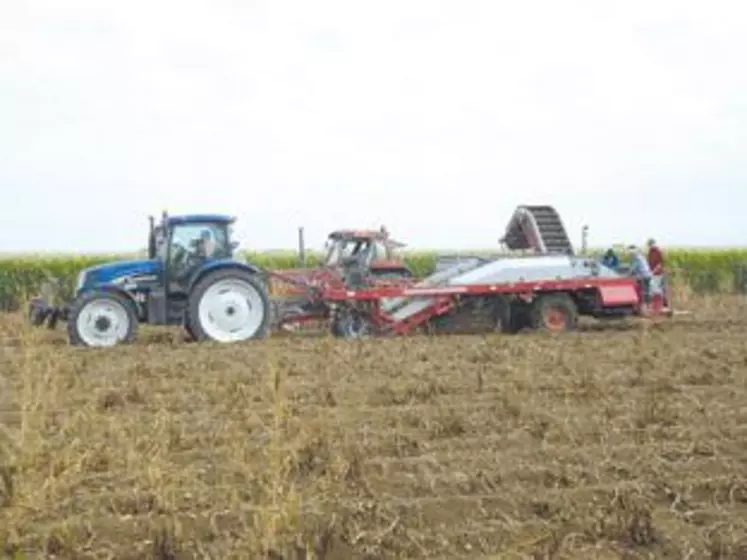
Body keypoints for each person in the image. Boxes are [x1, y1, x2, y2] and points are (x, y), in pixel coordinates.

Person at [646, 238, 668, 305]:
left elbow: (661, 263)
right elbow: (649, 262)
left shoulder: (658, 251)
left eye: (651, 244)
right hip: (652, 272)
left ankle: (664, 303)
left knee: (659, 288)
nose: (650, 245)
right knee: (654, 288)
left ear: (654, 244)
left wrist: (655, 270)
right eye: (649, 244)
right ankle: (656, 303)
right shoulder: (650, 252)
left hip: (659, 273)